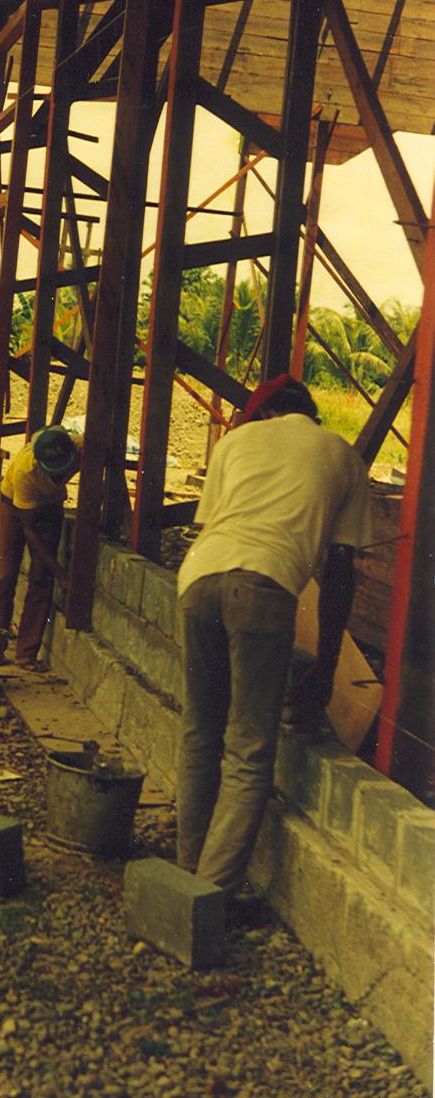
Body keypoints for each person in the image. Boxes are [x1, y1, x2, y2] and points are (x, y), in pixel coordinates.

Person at [175, 374, 372, 899]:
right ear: (310, 411)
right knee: (249, 748)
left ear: (265, 414)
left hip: (196, 580)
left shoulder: (234, 442)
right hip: (265, 586)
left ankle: (183, 872)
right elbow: (341, 574)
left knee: (200, 731)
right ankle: (209, 894)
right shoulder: (343, 455)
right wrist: (326, 669)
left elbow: (214, 525)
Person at [0, 425, 82, 671]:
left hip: (51, 506)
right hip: (15, 506)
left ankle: (26, 654)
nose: (60, 477)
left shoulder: (79, 446)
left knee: (41, 579)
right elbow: (30, 531)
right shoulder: (24, 471)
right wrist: (62, 573)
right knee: (5, 574)